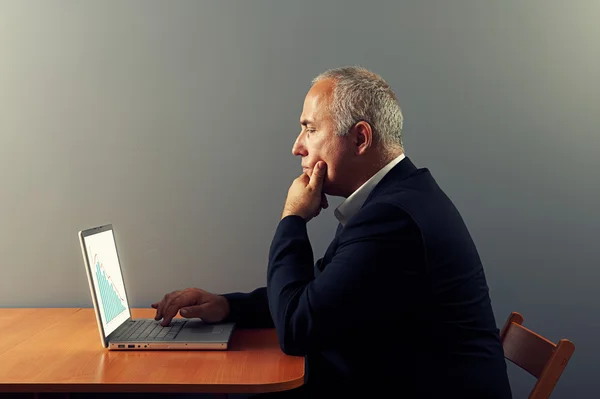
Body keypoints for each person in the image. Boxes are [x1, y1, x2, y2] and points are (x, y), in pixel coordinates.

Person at [152, 66, 512, 398]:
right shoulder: (394, 199)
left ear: (360, 139)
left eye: (310, 129)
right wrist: (228, 305)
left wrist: (292, 218)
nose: (298, 147)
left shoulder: (393, 218)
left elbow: (297, 328)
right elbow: (319, 298)